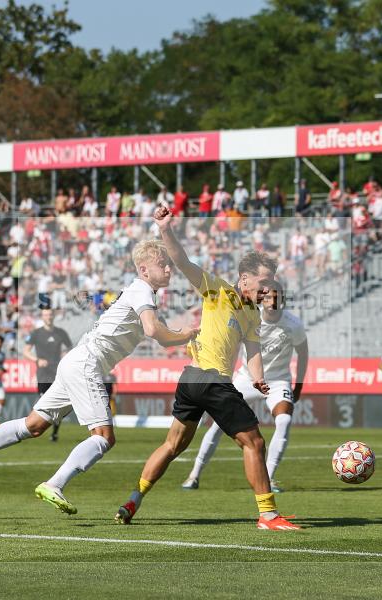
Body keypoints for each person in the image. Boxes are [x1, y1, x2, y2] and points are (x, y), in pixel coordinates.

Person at [0, 240, 198, 517]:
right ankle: (54, 484)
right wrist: (184, 334)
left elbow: (157, 332)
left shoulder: (141, 293)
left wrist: (180, 334)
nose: (170, 269)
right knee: (103, 438)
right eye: (164, 265)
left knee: (34, 425)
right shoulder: (142, 289)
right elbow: (153, 331)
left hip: (76, 361)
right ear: (144, 270)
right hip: (86, 364)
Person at [115, 205, 299, 531]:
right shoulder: (218, 290)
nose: (268, 287)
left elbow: (252, 350)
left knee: (173, 446)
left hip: (192, 381)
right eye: (263, 281)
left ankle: (133, 500)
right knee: (254, 443)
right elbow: (183, 262)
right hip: (210, 380)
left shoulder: (252, 314)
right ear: (244, 279)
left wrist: (258, 379)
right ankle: (268, 515)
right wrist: (165, 229)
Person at [182, 282, 308, 493]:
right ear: (261, 299)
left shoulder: (294, 324)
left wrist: (299, 385)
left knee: (284, 419)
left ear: (283, 300)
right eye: (268, 297)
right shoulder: (249, 316)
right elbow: (231, 345)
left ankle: (268, 477)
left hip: (277, 380)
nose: (272, 302)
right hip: (247, 378)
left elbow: (303, 353)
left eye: (277, 297)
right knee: (218, 425)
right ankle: (194, 474)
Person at [24, 309, 73, 442]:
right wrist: (37, 360)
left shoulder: (60, 332)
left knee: (58, 404)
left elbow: (70, 347)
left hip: (58, 371)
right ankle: (34, 427)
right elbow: (26, 351)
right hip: (43, 373)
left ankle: (55, 433)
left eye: (50, 314)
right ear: (42, 317)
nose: (48, 317)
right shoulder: (36, 333)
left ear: (53, 316)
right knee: (44, 402)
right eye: (46, 315)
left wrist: (65, 354)